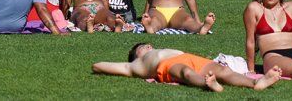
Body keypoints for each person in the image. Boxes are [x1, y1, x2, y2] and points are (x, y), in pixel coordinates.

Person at [92, 43, 281, 92]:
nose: (148, 47)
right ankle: (208, 84)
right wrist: (97, 66)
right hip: (166, 65)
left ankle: (255, 84)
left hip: (187, 57)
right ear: (136, 55)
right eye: (142, 47)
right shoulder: (134, 65)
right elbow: (101, 66)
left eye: (148, 45)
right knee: (185, 73)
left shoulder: (160, 49)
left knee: (223, 70)